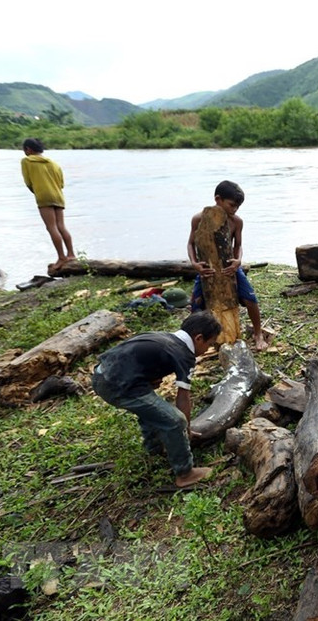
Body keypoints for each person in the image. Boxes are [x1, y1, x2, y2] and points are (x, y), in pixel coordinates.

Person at [91, 311, 221, 488]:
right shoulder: (184, 354)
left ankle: (155, 448)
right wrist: (187, 429)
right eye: (210, 344)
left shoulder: (164, 337)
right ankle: (185, 473)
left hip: (103, 374)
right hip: (117, 385)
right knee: (175, 420)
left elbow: (132, 355)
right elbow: (183, 397)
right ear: (198, 338)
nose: (208, 350)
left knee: (151, 410)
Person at [187, 180, 269, 350]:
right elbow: (190, 244)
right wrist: (195, 264)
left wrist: (237, 261)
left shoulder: (236, 222)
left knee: (250, 298)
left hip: (229, 267)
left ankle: (258, 333)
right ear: (218, 199)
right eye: (232, 205)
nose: (234, 209)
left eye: (237, 207)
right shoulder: (199, 219)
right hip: (207, 268)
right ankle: (194, 341)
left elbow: (238, 245)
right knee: (196, 303)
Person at [20, 138, 75, 271]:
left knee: (51, 227)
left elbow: (28, 182)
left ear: (28, 149)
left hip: (44, 196)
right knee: (61, 225)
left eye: (25, 150)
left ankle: (61, 257)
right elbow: (61, 183)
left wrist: (38, 191)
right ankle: (71, 254)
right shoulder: (54, 164)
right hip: (58, 195)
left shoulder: (26, 161)